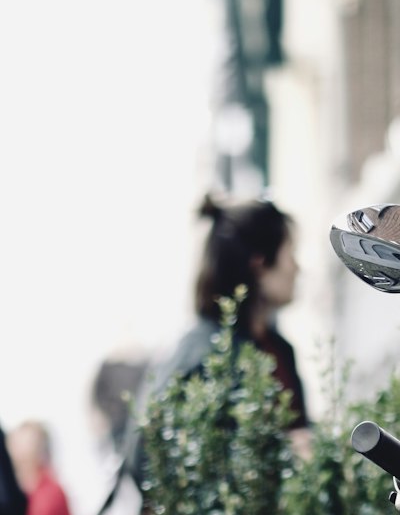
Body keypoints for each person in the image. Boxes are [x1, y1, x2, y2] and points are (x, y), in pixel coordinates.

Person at [126, 193, 310, 489]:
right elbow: (149, 463)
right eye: (291, 253)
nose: (297, 269)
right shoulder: (200, 355)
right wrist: (280, 455)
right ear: (259, 263)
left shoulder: (278, 349)